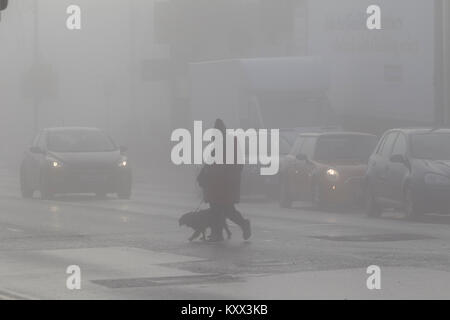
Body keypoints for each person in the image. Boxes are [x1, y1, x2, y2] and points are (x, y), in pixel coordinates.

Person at [197, 119, 251, 242]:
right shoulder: (224, 144)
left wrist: (208, 175)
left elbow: (219, 165)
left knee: (224, 209)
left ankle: (241, 225)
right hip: (220, 184)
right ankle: (217, 233)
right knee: (220, 209)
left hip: (223, 184)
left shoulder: (226, 144)